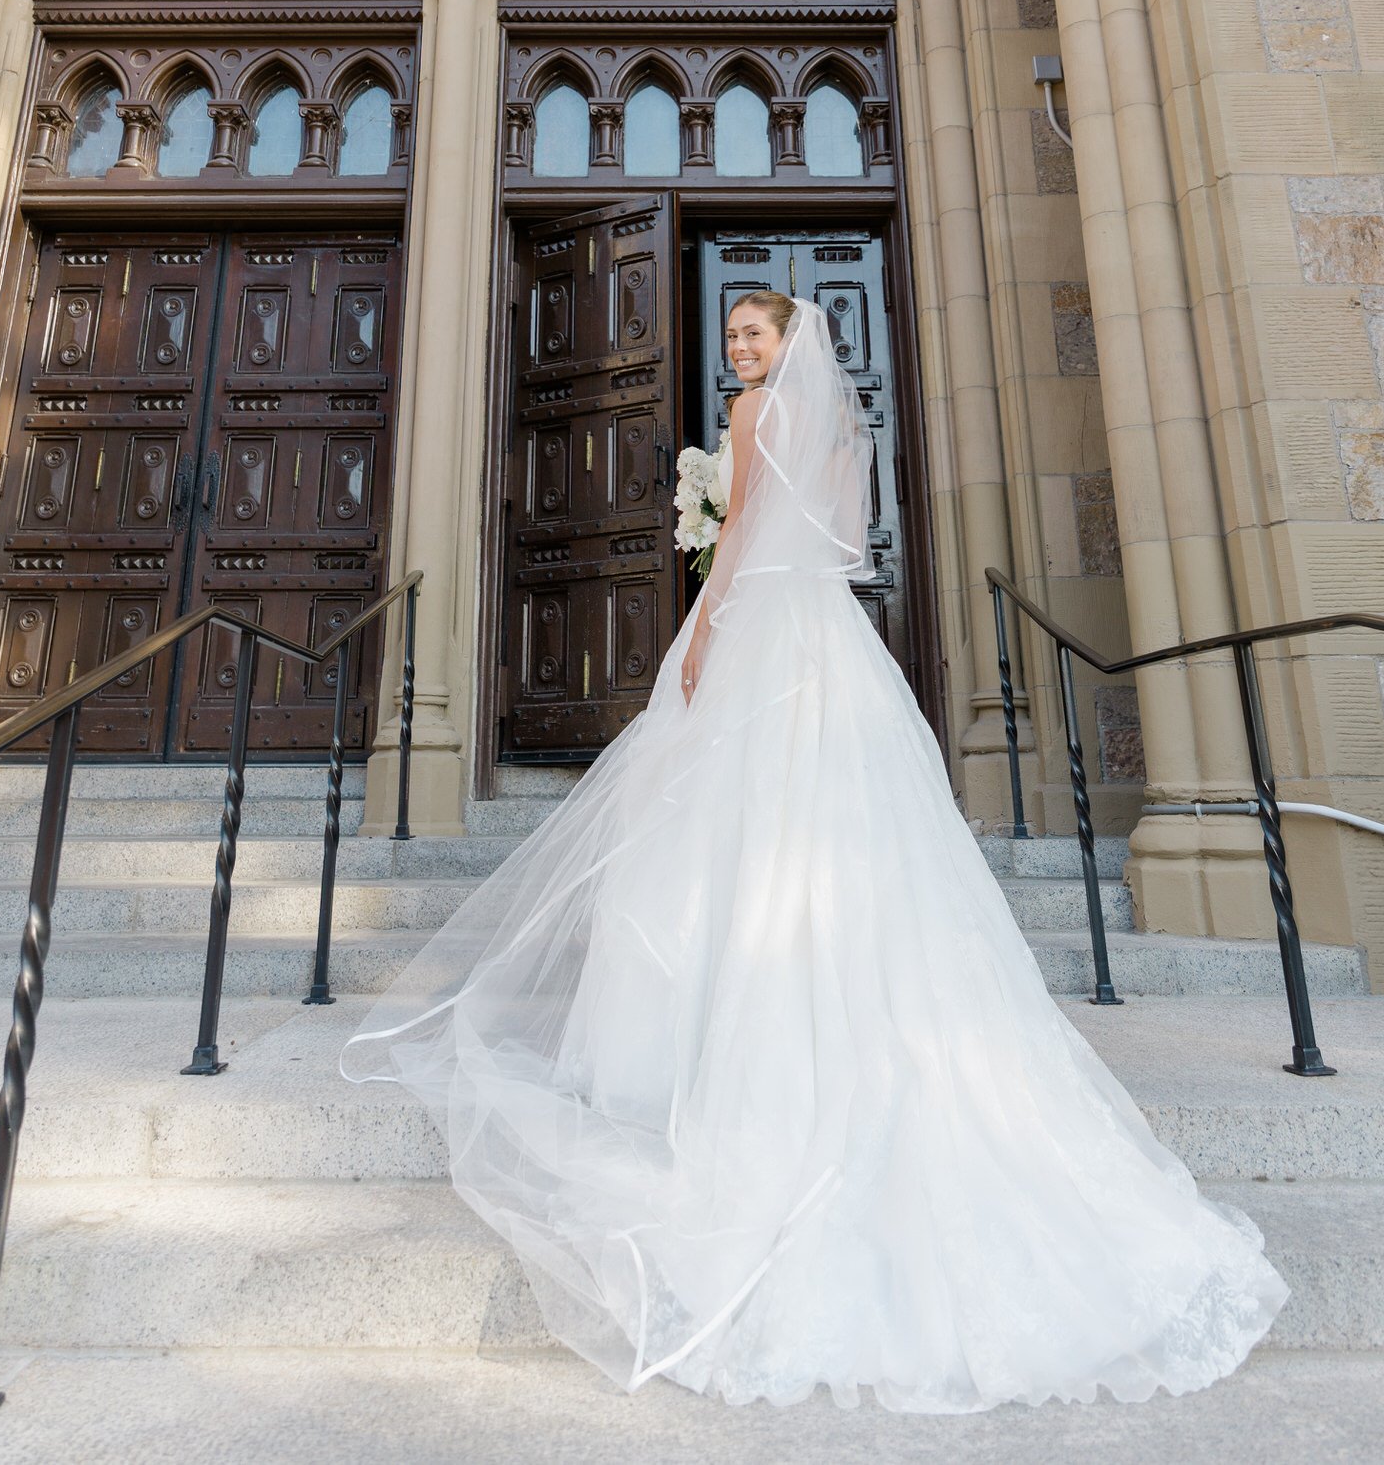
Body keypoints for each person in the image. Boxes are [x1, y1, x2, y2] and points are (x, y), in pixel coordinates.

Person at [343, 294, 1287, 1413]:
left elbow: (741, 528)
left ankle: (708, 1054)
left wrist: (702, 627)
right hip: (831, 641)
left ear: (788, 344)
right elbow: (838, 538)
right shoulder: (846, 429)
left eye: (755, 335)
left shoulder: (750, 415)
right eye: (735, 336)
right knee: (835, 829)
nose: (741, 350)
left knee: (727, 823)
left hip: (763, 629)